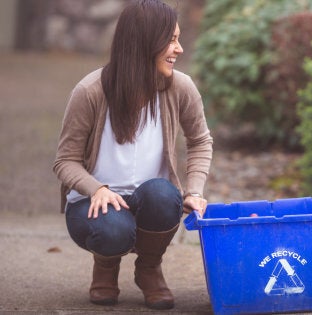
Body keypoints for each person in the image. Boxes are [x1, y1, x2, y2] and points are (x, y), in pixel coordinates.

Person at [53, 0, 212, 310]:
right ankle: (106, 267)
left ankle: (149, 269)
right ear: (144, 42)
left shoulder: (180, 87)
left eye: (178, 39)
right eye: (171, 39)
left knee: (165, 194)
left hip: (149, 201)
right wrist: (95, 188)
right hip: (92, 206)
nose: (178, 49)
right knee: (115, 228)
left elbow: (200, 141)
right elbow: (65, 160)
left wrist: (194, 191)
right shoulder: (90, 91)